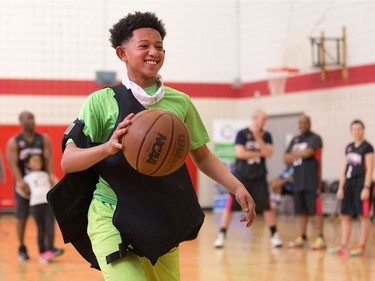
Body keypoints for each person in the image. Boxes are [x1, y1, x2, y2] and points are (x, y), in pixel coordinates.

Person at [56, 11, 256, 281]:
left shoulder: (180, 102)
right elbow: (68, 161)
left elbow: (202, 155)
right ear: (122, 53)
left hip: (160, 216)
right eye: (144, 46)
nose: (154, 52)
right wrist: (107, 147)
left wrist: (236, 186)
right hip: (111, 215)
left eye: (159, 47)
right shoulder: (101, 101)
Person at [214, 110, 283, 248]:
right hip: (242, 177)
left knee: (267, 207)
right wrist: (259, 152)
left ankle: (274, 235)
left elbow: (268, 153)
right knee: (231, 206)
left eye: (265, 119)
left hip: (259, 177)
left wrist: (258, 138)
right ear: (254, 118)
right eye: (262, 119)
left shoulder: (267, 135)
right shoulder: (242, 133)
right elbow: (240, 154)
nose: (264, 122)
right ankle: (221, 234)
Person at [6, 111, 58, 261]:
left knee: (47, 217)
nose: (32, 120)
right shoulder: (14, 142)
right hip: (24, 185)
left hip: (40, 184)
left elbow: (48, 161)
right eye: (29, 118)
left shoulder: (43, 139)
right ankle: (22, 247)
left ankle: (49, 248)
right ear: (21, 122)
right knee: (21, 217)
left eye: (33, 118)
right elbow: (13, 165)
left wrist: (50, 178)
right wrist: (21, 182)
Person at [329, 120, 374, 257]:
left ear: (363, 130)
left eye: (359, 129)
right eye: (354, 129)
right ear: (351, 131)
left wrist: (366, 187)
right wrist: (341, 188)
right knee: (345, 215)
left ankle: (361, 245)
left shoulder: (367, 147)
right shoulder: (349, 147)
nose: (356, 131)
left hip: (361, 183)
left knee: (363, 215)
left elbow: (370, 169)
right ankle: (343, 245)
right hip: (348, 183)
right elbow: (345, 168)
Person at [284, 114, 325, 250]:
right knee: (300, 210)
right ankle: (302, 237)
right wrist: (300, 153)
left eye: (305, 123)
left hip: (312, 180)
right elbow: (286, 158)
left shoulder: (315, 138)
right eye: (300, 123)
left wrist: (295, 154)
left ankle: (320, 238)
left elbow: (309, 153)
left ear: (309, 124)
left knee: (316, 210)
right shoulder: (295, 139)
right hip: (298, 180)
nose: (302, 125)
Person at [23, 154, 64, 263]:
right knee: (41, 230)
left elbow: (54, 184)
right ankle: (42, 253)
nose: (37, 163)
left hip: (47, 204)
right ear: (28, 164)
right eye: (34, 161)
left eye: (39, 161)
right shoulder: (26, 178)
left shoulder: (46, 175)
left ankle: (50, 250)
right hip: (35, 205)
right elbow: (24, 191)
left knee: (50, 228)